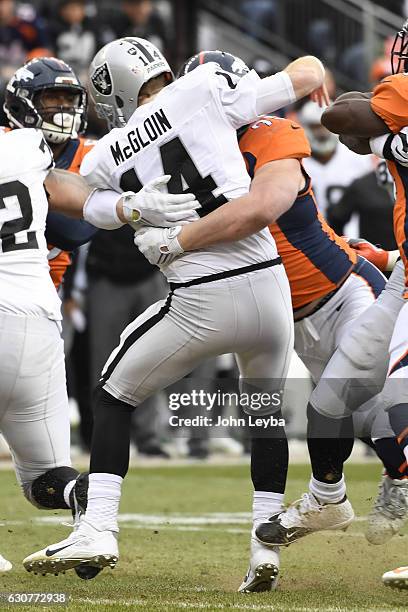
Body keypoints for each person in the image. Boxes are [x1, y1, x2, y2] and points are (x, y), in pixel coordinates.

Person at [22, 39, 327, 580]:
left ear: (111, 87)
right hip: (268, 285)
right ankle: (264, 547)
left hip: (201, 293)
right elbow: (303, 76)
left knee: (113, 394)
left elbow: (58, 188)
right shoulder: (206, 86)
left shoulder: (109, 149)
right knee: (264, 414)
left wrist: (120, 207)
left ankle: (97, 529)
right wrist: (310, 71)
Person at [260, 19, 408, 551]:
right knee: (328, 405)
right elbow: (352, 134)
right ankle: (333, 497)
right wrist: (390, 256)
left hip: (366, 289)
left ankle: (399, 480)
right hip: (401, 279)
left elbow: (339, 118)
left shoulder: (403, 94)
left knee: (392, 404)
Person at [298, 100, 373, 225]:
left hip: (355, 233)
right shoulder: (297, 161)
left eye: (327, 126)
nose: (322, 133)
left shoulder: (358, 157)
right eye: (316, 127)